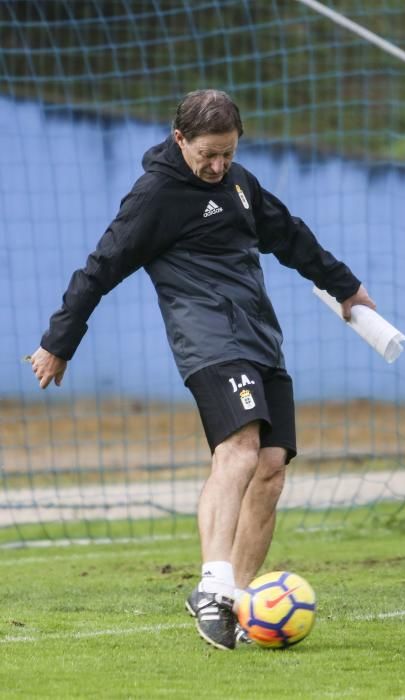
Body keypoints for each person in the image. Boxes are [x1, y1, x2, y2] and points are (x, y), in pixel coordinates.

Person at [30, 89, 375, 651]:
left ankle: (238, 602)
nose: (217, 166)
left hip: (260, 337)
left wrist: (346, 287)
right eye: (208, 154)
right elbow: (101, 267)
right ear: (180, 140)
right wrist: (59, 341)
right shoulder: (156, 195)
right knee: (238, 447)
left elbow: (287, 234)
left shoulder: (239, 183)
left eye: (228, 153)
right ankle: (212, 587)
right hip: (210, 340)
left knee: (270, 466)